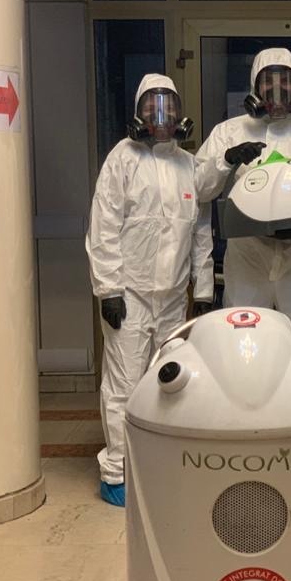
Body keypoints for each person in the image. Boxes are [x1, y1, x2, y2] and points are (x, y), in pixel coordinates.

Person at [85, 73, 214, 507]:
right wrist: (109, 289)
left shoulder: (189, 165)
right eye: (152, 107)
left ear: (180, 113)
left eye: (169, 107)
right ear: (138, 112)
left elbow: (200, 233)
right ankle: (118, 471)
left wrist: (203, 289)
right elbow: (104, 225)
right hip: (131, 296)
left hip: (173, 298)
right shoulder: (122, 159)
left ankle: (162, 466)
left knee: (170, 383)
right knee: (123, 384)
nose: (161, 117)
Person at [195, 48, 291, 345]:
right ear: (255, 86)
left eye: (285, 80)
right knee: (243, 346)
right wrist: (226, 160)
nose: (277, 89)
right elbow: (200, 188)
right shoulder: (228, 133)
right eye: (268, 81)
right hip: (247, 263)